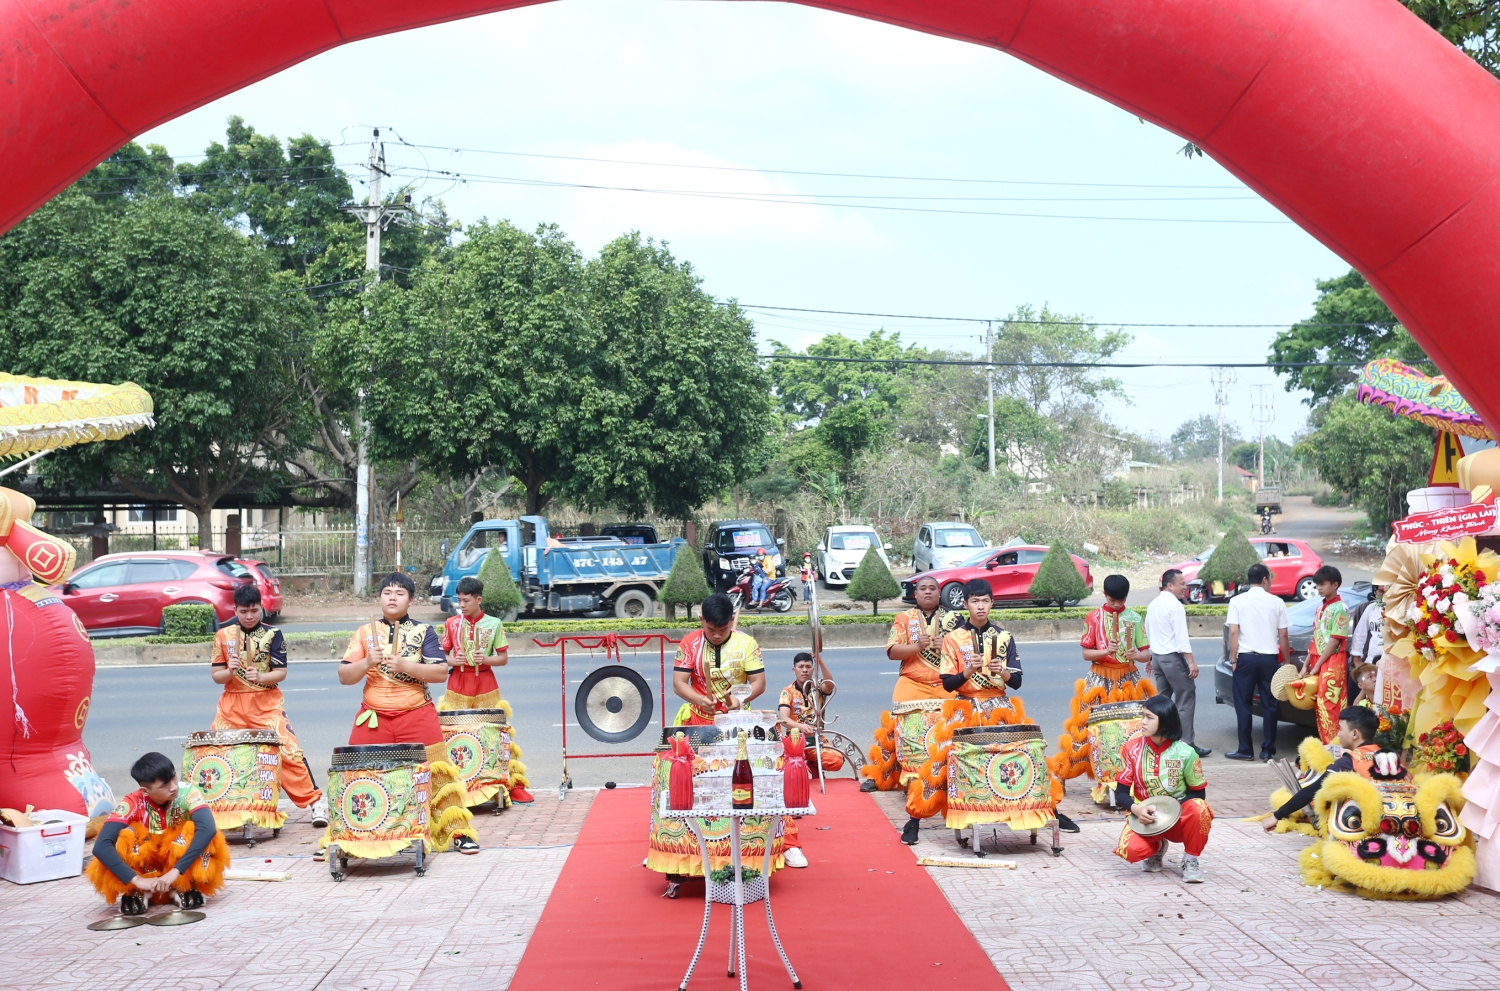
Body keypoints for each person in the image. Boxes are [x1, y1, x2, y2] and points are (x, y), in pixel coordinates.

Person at [339, 572, 479, 854]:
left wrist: (404, 665)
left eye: (399, 593)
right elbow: (344, 676)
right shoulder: (364, 633)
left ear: (411, 600)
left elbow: (440, 672)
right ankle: (348, 837)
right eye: (387, 592)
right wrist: (367, 661)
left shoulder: (423, 631)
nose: (392, 597)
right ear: (379, 598)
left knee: (438, 774)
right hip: (374, 715)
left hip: (416, 714)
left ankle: (457, 832)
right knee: (357, 773)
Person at [207, 583, 328, 827]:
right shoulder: (223, 636)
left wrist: (261, 678)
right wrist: (229, 670)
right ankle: (217, 809)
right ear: (235, 609)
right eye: (243, 612)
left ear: (261, 608)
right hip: (231, 705)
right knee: (215, 753)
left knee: (288, 750)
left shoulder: (273, 634)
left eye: (254, 610)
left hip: (266, 704)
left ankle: (315, 803)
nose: (249, 616)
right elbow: (216, 676)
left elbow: (281, 672)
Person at [1051, 574, 1155, 802]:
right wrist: (1106, 651)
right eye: (1112, 600)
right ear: (1105, 595)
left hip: (1129, 678)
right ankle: (1063, 773)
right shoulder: (1094, 618)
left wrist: (1136, 655)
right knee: (1086, 727)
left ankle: (1134, 776)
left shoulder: (1135, 618)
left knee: (1134, 729)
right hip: (1099, 677)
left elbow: (1147, 653)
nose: (1116, 605)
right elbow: (1086, 653)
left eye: (1120, 600)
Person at [85, 752, 229, 914]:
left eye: (174, 778)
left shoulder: (188, 793)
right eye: (164, 785)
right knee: (124, 836)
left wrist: (176, 871)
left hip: (180, 865)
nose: (173, 787)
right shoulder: (131, 803)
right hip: (146, 871)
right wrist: (136, 880)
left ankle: (185, 886)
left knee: (201, 831)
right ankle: (135, 891)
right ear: (145, 791)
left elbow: (208, 828)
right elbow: (101, 846)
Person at [438, 575, 533, 804]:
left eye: (466, 600)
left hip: (486, 682)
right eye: (459, 600)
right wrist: (453, 660)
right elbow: (441, 656)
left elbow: (503, 659)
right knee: (451, 733)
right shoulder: (452, 624)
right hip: (458, 682)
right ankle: (449, 786)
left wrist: (486, 659)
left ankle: (513, 784)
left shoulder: (494, 624)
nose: (461, 605)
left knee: (496, 733)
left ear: (478, 600)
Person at [1113, 694, 1212, 883]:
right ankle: (1157, 847)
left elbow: (1199, 793)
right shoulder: (1131, 749)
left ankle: (1190, 859)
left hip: (1177, 820)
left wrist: (1171, 811)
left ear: (1165, 723)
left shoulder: (1186, 752)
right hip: (1145, 820)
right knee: (1130, 851)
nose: (1142, 722)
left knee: (1200, 808)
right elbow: (1121, 793)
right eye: (1143, 716)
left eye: (1149, 718)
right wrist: (1137, 809)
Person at [1263, 706, 1381, 831]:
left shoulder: (1349, 761)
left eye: (1340, 729)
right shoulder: (1388, 754)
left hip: (1370, 823)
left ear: (1355, 733)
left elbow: (1311, 791)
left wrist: (1277, 815)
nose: (1338, 734)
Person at [1225, 563, 1292, 762]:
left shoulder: (1237, 601)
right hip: (1269, 660)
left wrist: (1233, 657)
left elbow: (1233, 631)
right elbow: (1284, 634)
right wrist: (1287, 661)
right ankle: (1267, 750)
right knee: (1270, 705)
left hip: (1245, 659)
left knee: (1243, 705)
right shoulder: (1277, 602)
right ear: (1264, 579)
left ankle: (1245, 749)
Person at [671, 592, 765, 724]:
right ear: (701, 620)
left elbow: (759, 683)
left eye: (723, 630)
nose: (716, 636)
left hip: (738, 719)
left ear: (732, 620)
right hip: (699, 720)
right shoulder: (689, 643)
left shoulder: (747, 643)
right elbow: (678, 683)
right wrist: (700, 700)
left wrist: (738, 699)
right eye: (711, 630)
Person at [1145, 569, 1210, 757]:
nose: (1185, 587)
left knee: (1163, 702)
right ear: (1170, 585)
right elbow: (1181, 638)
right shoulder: (1175, 606)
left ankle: (1160, 741)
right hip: (1173, 658)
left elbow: (1148, 630)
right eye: (1182, 583)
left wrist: (1150, 657)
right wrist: (1191, 662)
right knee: (1185, 699)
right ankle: (1187, 744)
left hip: (1158, 658)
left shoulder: (1154, 604)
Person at [1300, 566, 1350, 744]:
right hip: (1319, 660)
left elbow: (1334, 641)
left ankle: (1336, 749)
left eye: (1323, 584)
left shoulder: (1341, 608)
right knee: (1320, 706)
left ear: (1335, 585)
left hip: (1333, 661)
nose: (1319, 588)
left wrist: (1317, 665)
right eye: (1317, 584)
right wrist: (1306, 664)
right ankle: (1328, 746)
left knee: (1330, 705)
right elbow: (1316, 638)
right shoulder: (1320, 609)